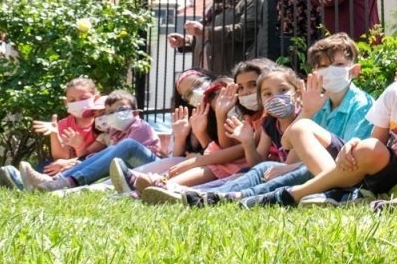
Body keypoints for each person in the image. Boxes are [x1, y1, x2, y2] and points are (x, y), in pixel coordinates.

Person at [234, 34, 397, 208]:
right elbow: (377, 142)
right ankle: (335, 191)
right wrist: (353, 144)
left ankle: (290, 195)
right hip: (372, 168)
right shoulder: (392, 94)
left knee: (380, 150)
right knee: (311, 131)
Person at [153, 35, 373, 205]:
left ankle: (231, 196)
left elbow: (347, 157)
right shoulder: (319, 103)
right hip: (311, 167)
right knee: (268, 166)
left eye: (337, 65)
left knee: (289, 170)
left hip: (340, 173)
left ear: (354, 71)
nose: (329, 72)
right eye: (322, 67)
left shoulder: (361, 104)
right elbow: (291, 143)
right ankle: (205, 194)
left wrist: (288, 166)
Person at [110, 60, 274, 194]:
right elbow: (225, 149)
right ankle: (146, 183)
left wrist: (195, 159)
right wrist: (208, 124)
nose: (246, 92)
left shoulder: (257, 114)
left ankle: (157, 185)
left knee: (212, 166)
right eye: (188, 94)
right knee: (185, 162)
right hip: (223, 163)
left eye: (253, 85)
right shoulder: (244, 115)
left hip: (241, 167)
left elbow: (235, 152)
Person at [21, 91, 159, 192]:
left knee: (126, 146)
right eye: (109, 112)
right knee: (111, 150)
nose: (112, 115)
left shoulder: (140, 126)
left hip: (155, 167)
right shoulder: (114, 132)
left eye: (121, 110)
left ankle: (71, 181)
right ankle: (55, 180)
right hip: (134, 167)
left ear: (135, 113)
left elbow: (123, 153)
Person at [0, 77, 106, 190]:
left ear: (95, 98)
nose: (78, 103)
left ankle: (26, 184)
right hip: (64, 164)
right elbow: (60, 156)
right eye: (72, 101)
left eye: (83, 98)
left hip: (87, 165)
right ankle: (24, 182)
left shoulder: (102, 122)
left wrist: (70, 159)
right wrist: (54, 134)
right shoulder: (65, 124)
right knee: (47, 166)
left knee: (64, 167)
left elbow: (97, 154)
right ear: (66, 102)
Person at [167, 0, 264, 75]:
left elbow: (247, 30)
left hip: (228, 74)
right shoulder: (211, 6)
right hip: (203, 73)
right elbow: (202, 36)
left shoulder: (250, 2)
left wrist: (207, 32)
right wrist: (185, 41)